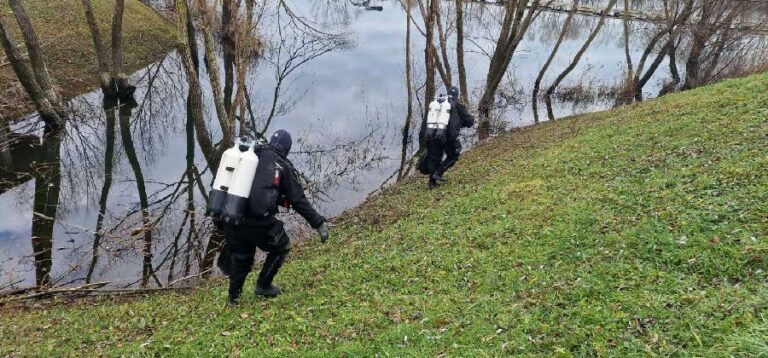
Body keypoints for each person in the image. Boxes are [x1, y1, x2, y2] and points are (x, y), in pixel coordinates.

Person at [223, 129, 329, 305]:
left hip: (232, 214)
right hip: (258, 222)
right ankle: (263, 286)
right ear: (286, 149)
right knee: (282, 246)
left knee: (241, 257)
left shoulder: (251, 154)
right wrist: (318, 223)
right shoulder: (281, 166)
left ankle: (233, 298)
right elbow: (298, 199)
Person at [419, 86, 475, 189]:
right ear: (456, 96)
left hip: (432, 136)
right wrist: (467, 121)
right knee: (454, 154)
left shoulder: (436, 105)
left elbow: (425, 123)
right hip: (447, 138)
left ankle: (432, 184)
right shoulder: (457, 106)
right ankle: (438, 173)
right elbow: (469, 121)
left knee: (434, 159)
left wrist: (424, 139)